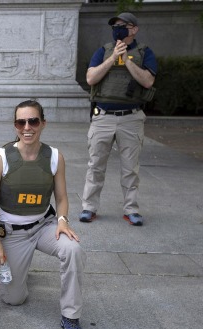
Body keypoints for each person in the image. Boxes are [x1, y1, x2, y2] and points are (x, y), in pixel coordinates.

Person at [0, 100, 86, 329]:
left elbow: (61, 197)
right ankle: (19, 269)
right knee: (14, 299)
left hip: (44, 226)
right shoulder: (0, 157)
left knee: (73, 249)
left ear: (43, 123)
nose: (27, 127)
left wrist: (62, 220)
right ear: (15, 125)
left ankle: (70, 315)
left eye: (33, 121)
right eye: (21, 122)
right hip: (12, 231)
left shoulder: (54, 156)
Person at [80, 12, 157, 226]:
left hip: (131, 118)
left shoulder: (144, 52)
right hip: (103, 117)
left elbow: (148, 81)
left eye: (123, 25)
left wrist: (127, 61)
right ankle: (89, 207)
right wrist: (113, 58)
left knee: (130, 168)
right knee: (95, 165)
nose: (119, 29)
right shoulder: (103, 51)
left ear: (134, 29)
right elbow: (90, 78)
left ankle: (131, 209)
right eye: (116, 26)